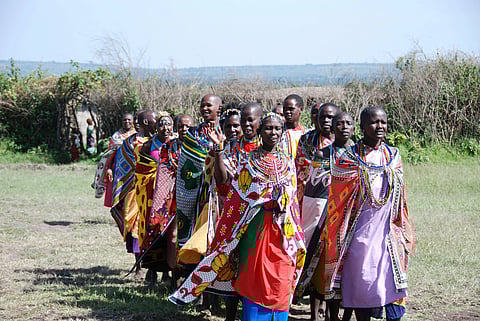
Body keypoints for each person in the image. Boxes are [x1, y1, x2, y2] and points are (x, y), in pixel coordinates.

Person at [169, 112, 306, 321]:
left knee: (281, 276)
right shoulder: (249, 162)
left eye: (277, 129)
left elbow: (293, 202)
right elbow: (227, 185)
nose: (273, 132)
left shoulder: (287, 162)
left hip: (280, 232)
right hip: (254, 230)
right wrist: (219, 151)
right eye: (268, 128)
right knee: (254, 278)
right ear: (260, 131)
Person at [325, 106, 415, 321]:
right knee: (363, 282)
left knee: (391, 281)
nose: (380, 126)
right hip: (360, 233)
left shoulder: (393, 156)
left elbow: (401, 196)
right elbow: (337, 200)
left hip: (388, 232)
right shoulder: (349, 159)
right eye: (374, 122)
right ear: (363, 126)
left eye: (383, 122)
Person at [296, 112, 354, 321]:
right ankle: (319, 315)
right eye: (339, 123)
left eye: (348, 123)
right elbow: (313, 194)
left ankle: (345, 316)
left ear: (354, 128)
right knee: (322, 269)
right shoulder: (322, 155)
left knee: (349, 269)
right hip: (325, 219)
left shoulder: (359, 154)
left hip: (351, 220)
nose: (343, 127)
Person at [214, 102, 263, 321]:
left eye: (250, 120)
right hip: (232, 213)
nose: (246, 124)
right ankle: (230, 315)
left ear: (259, 121)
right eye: (243, 120)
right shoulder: (230, 148)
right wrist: (218, 153)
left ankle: (252, 312)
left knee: (253, 263)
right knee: (232, 262)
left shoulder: (268, 146)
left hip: (260, 216)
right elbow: (221, 180)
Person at [110, 110, 156, 279]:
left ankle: (160, 270)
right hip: (135, 192)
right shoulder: (131, 143)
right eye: (155, 120)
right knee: (136, 228)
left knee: (157, 228)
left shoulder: (162, 141)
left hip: (157, 192)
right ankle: (139, 267)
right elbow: (121, 166)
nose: (158, 122)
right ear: (147, 122)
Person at [135, 112, 175, 285]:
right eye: (161, 125)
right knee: (153, 230)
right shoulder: (148, 145)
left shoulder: (177, 145)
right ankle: (151, 269)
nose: (165, 129)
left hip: (172, 196)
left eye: (168, 125)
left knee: (169, 233)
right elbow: (141, 169)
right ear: (156, 127)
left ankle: (168, 272)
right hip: (151, 197)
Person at [92, 112, 136, 201]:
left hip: (133, 170)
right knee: (119, 195)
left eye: (129, 120)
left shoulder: (137, 136)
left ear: (133, 121)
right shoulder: (116, 136)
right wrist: (108, 169)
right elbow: (110, 155)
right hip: (118, 169)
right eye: (124, 120)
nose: (127, 121)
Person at [282, 94, 305, 158]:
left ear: (301, 109)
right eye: (285, 109)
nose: (287, 112)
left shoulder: (306, 133)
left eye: (291, 109)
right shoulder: (278, 132)